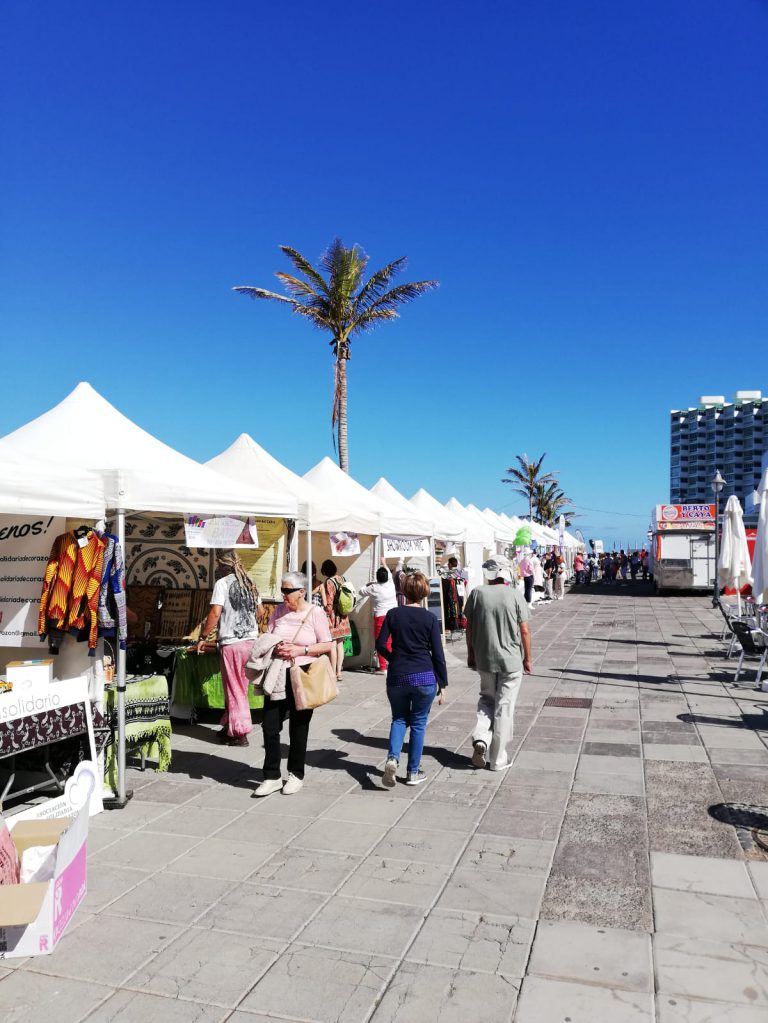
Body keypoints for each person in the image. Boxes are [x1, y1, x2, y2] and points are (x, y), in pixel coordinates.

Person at [253, 571, 333, 797]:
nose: (283, 595)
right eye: (282, 590)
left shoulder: (315, 613)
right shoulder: (278, 611)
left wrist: (301, 650)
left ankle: (296, 774)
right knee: (269, 725)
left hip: (303, 673)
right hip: (277, 673)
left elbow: (327, 644)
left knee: (299, 727)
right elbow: (267, 635)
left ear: (302, 591)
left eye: (288, 591)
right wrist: (274, 646)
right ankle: (271, 776)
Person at [376, 571, 447, 787]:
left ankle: (392, 758)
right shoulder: (429, 618)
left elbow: (380, 644)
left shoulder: (393, 614)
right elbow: (438, 653)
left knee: (398, 719)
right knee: (418, 723)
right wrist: (442, 684)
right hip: (424, 676)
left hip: (397, 675)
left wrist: (393, 658)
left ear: (404, 592)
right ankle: (413, 772)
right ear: (424, 593)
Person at [464, 555, 532, 772]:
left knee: (486, 700)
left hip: (485, 658)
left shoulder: (477, 594)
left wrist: (471, 653)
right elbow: (524, 630)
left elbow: (470, 628)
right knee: (504, 707)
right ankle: (497, 759)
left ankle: (481, 739)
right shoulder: (514, 595)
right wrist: (528, 658)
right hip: (511, 661)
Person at [198, 550, 261, 747]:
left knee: (233, 688)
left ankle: (240, 733)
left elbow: (215, 613)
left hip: (232, 643)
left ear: (223, 566)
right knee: (239, 688)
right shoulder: (249, 581)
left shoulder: (222, 583)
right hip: (250, 641)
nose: (217, 569)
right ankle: (229, 726)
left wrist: (202, 636)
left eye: (218, 565)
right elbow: (260, 611)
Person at [358, 558, 397, 672]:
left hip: (381, 616)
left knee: (381, 642)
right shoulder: (390, 583)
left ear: (377, 578)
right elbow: (388, 572)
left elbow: (361, 591)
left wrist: (369, 583)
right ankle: (392, 663)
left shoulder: (374, 587)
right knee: (391, 640)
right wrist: (384, 562)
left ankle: (383, 667)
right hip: (393, 614)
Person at [319, 559, 352, 682]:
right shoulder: (342, 578)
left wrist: (326, 616)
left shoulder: (329, 582)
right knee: (340, 644)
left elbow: (329, 602)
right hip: (343, 616)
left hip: (333, 616)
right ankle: (339, 672)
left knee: (332, 644)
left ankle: (332, 672)